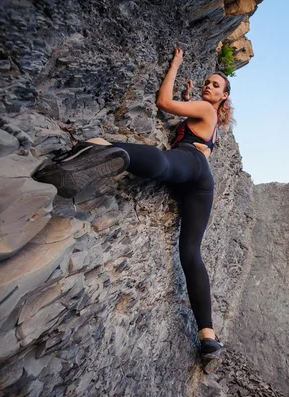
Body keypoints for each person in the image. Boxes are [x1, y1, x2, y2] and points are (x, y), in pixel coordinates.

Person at [34, 48, 235, 359]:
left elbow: (163, 103)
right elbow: (180, 116)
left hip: (188, 164)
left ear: (223, 98)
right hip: (199, 181)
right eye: (207, 82)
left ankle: (113, 152)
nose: (209, 86)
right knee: (191, 253)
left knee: (165, 166)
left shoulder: (206, 110)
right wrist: (188, 94)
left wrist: (176, 64)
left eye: (216, 86)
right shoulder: (205, 114)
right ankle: (208, 337)